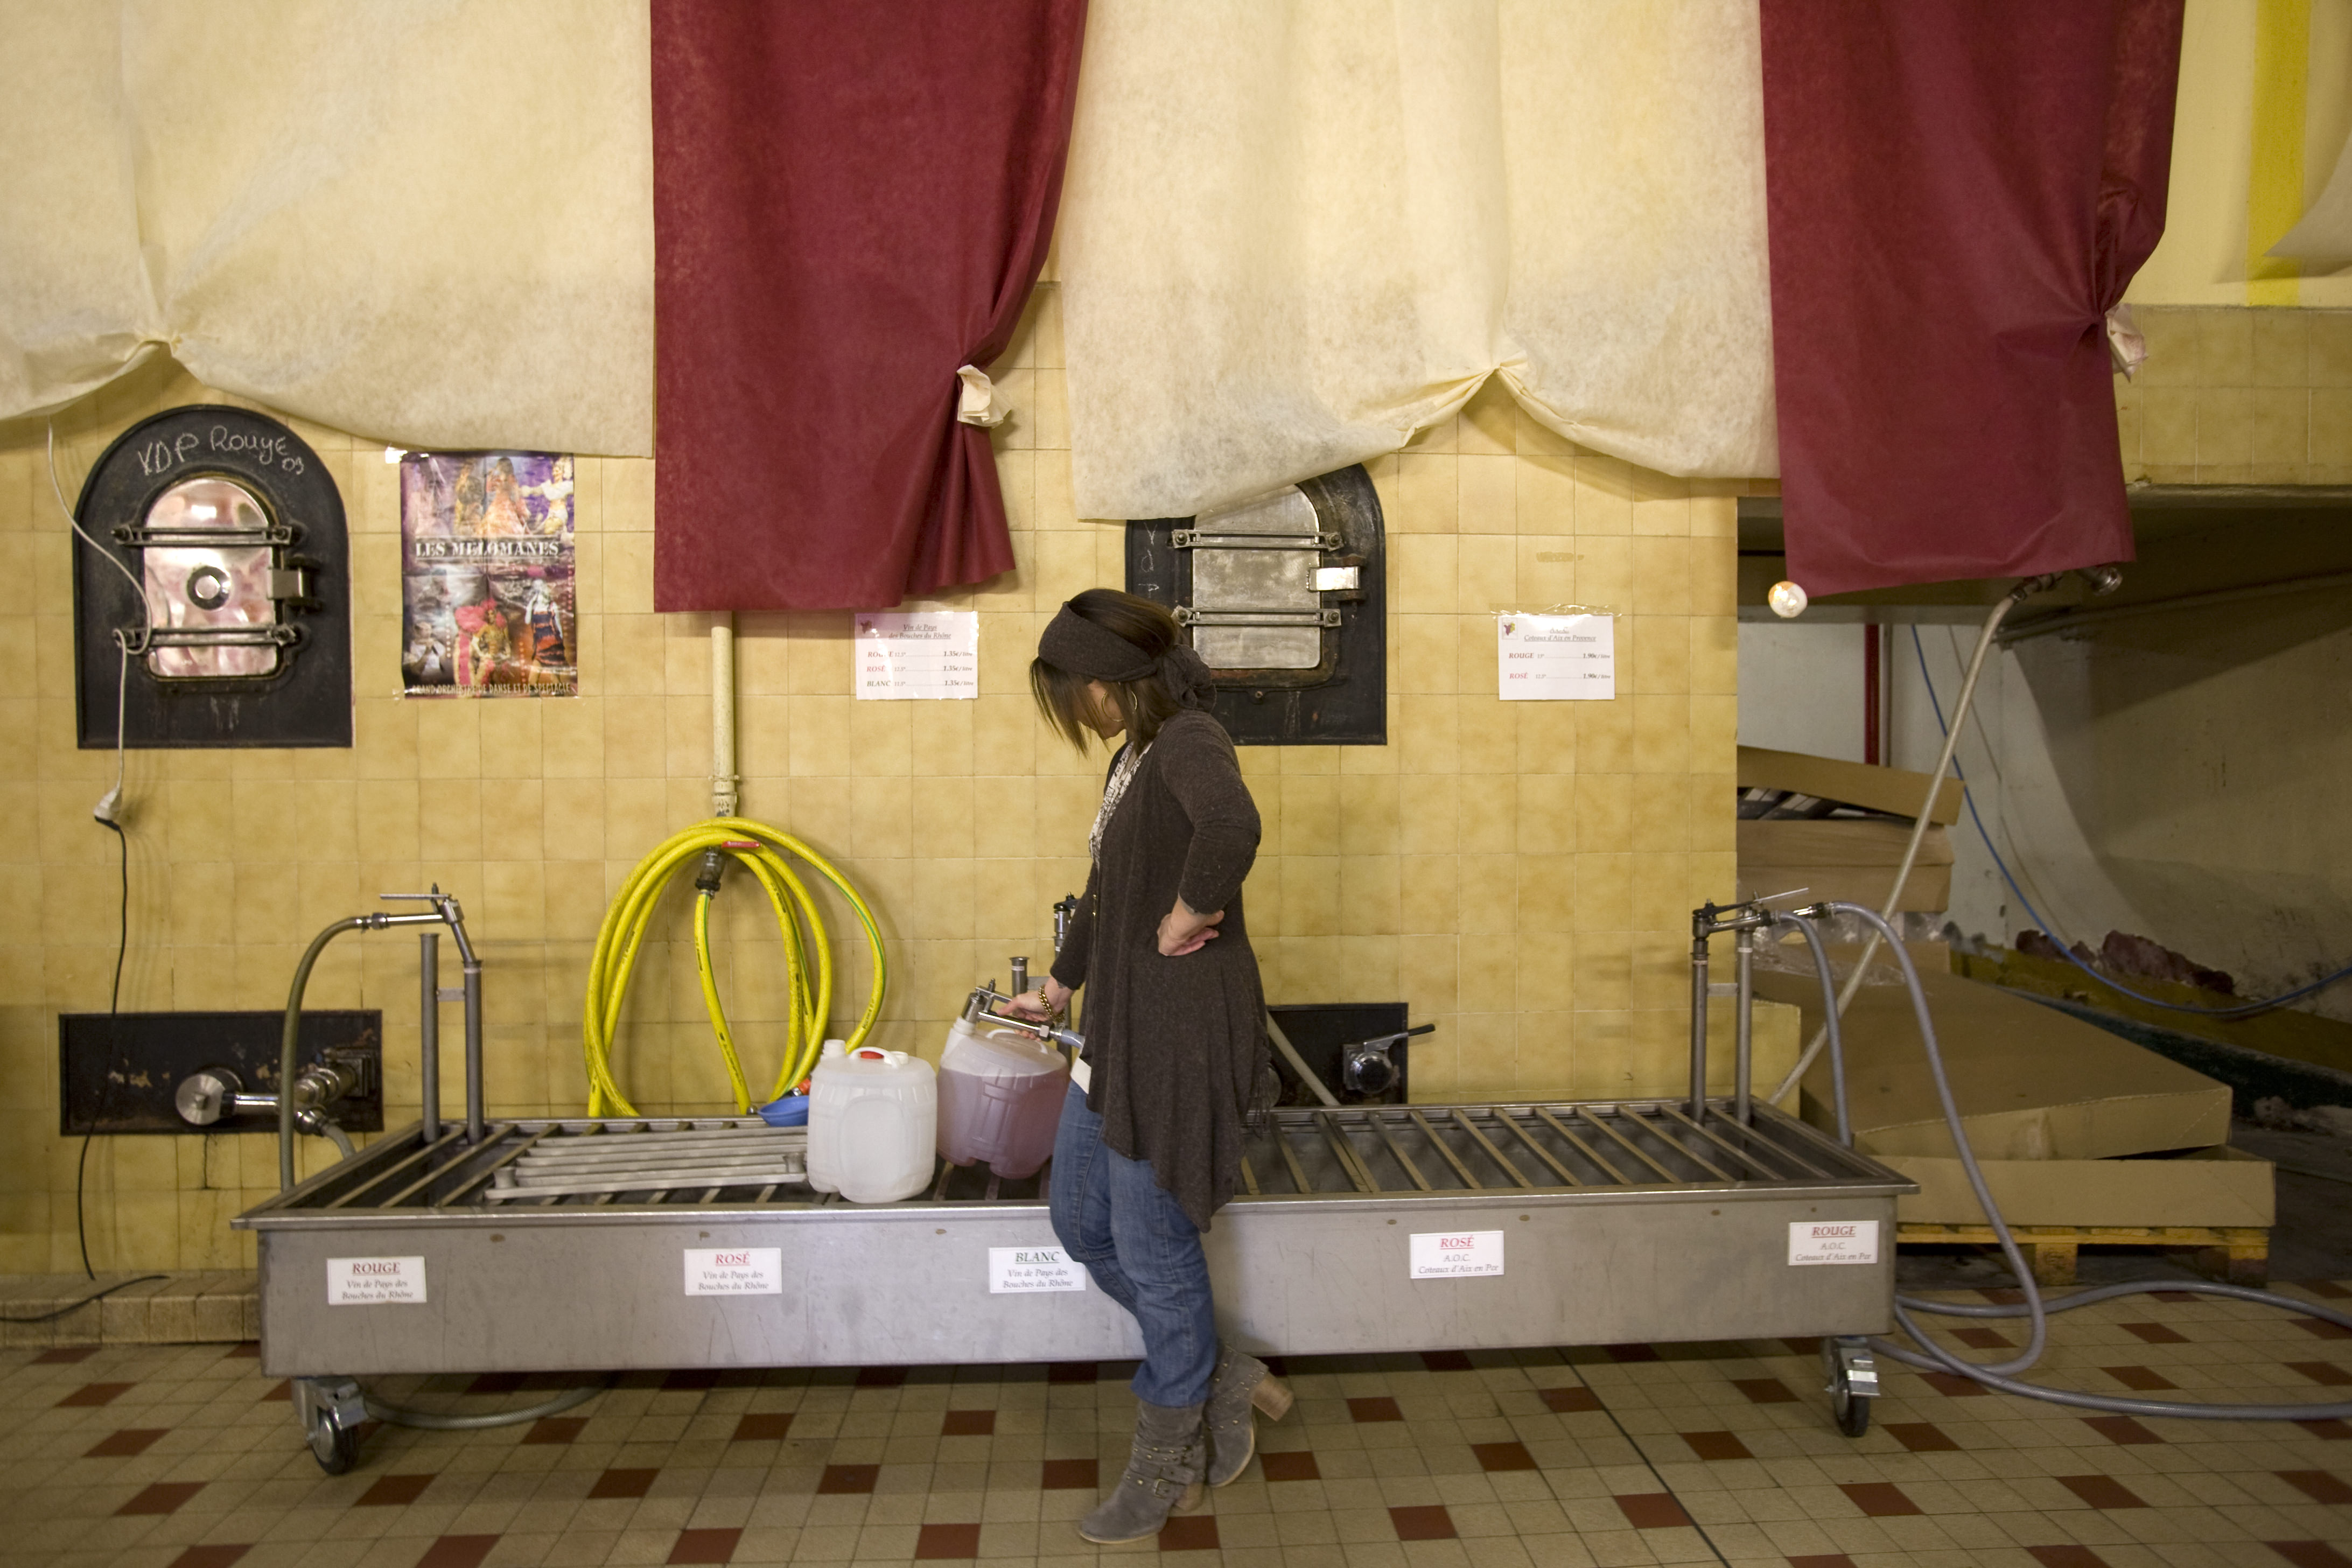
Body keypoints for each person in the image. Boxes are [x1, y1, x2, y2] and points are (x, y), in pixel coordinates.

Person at [1003, 589, 1293, 1544]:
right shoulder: (1134, 757)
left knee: (1157, 1255)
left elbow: (1232, 827)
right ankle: (1222, 1375)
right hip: (1118, 1031)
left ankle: (1169, 1465)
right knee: (1081, 1224)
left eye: (1068, 690)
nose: (1070, 709)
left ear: (1104, 683)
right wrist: (1058, 987)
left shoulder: (1189, 741)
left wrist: (1191, 913)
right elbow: (1105, 890)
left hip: (1174, 1037)